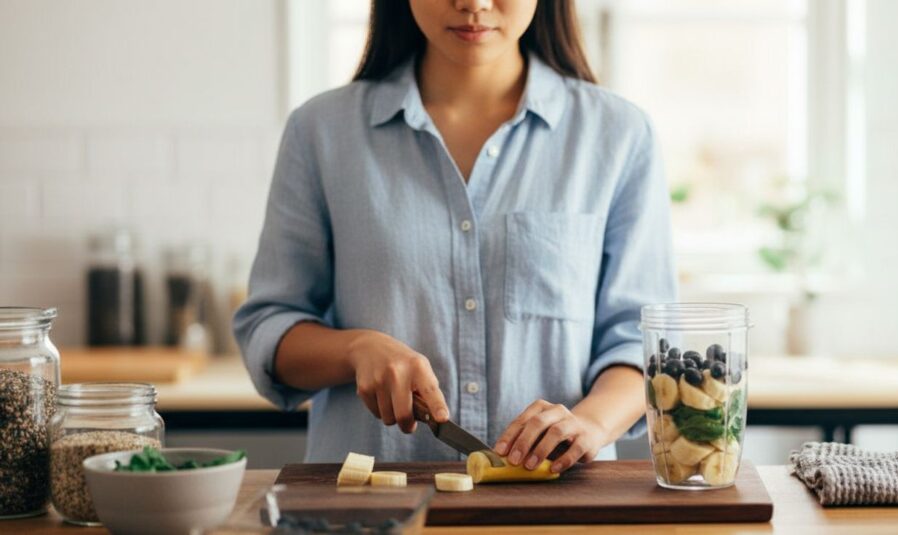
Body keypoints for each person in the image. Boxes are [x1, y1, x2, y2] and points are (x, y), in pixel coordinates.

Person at [234, 0, 676, 473]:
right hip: (365, 509)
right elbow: (269, 328)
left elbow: (642, 342)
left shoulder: (619, 135)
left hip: (561, 504)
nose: (474, 4)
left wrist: (590, 422)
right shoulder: (320, 132)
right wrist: (354, 350)